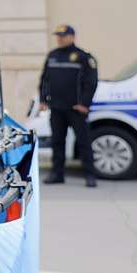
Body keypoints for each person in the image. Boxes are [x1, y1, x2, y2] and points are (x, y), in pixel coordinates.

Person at [39, 24, 99, 187]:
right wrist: (43, 100)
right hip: (57, 108)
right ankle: (57, 174)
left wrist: (84, 104)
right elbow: (45, 80)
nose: (60, 39)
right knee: (57, 142)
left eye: (63, 36)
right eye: (58, 36)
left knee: (83, 142)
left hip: (76, 109)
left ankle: (90, 175)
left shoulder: (83, 57)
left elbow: (91, 83)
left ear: (72, 37)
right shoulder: (52, 56)